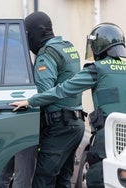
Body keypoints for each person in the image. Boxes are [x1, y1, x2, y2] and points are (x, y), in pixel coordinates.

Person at [11, 22, 126, 188]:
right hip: (105, 132)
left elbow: (62, 90)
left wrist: (30, 101)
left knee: (98, 179)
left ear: (98, 46)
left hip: (108, 136)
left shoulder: (97, 69)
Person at [0, 11, 86, 188]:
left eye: (27, 35)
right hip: (75, 125)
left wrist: (28, 101)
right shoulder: (66, 47)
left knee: (42, 180)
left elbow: (45, 91)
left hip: (59, 127)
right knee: (63, 180)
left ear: (36, 33)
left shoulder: (46, 54)